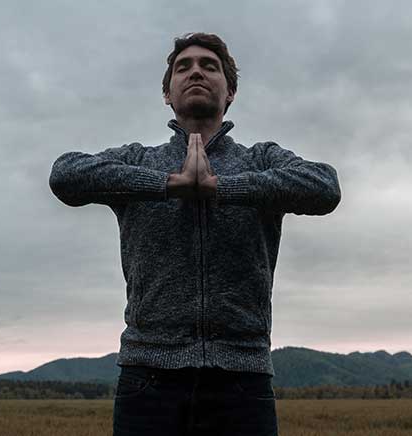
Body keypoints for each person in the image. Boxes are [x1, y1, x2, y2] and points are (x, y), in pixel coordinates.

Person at [49, 32, 341, 436]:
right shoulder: (140, 160)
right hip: (148, 380)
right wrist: (169, 184)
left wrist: (222, 188)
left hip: (242, 380)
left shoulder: (260, 159)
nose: (196, 72)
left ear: (231, 91)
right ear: (167, 93)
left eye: (209, 66)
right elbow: (65, 174)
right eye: (183, 67)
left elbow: (324, 186)